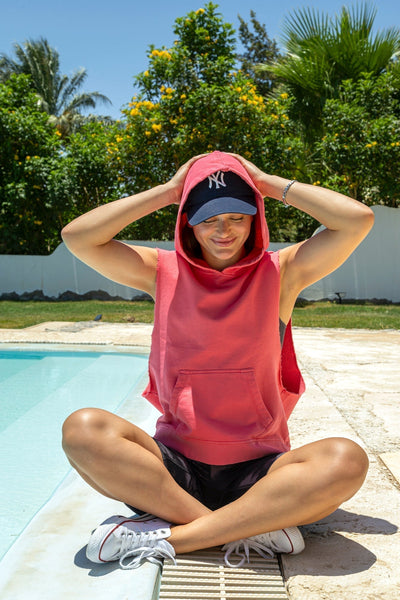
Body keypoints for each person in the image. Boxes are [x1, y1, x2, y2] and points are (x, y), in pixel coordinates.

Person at [61, 150, 374, 570]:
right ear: (188, 221)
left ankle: (177, 537)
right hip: (174, 472)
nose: (223, 230)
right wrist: (169, 191)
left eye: (237, 216)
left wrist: (265, 182)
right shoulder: (160, 270)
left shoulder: (282, 271)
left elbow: (356, 220)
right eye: (208, 218)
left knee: (346, 460)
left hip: (260, 472)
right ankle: (248, 527)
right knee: (83, 429)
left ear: (255, 218)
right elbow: (78, 237)